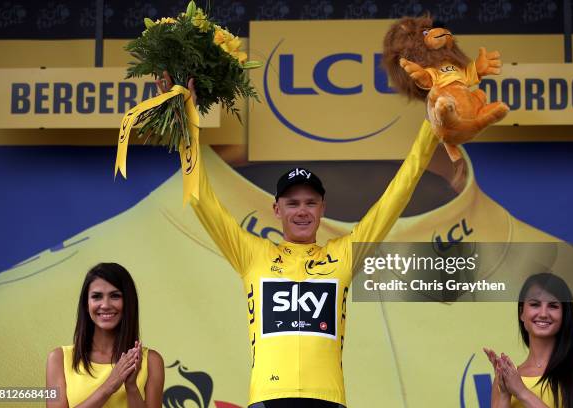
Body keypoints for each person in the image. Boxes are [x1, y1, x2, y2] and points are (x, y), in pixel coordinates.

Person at [157, 72, 443, 408]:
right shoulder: (252, 254)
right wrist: (185, 126)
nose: (302, 211)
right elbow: (200, 198)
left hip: (327, 399)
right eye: (293, 203)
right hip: (268, 398)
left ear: (323, 208)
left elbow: (396, 196)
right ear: (277, 209)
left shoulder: (344, 255)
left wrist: (430, 129)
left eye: (310, 202)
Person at [46, 263, 164, 408]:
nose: (106, 304)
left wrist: (132, 387)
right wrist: (108, 387)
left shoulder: (151, 361)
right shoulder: (58, 359)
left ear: (128, 302)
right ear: (86, 304)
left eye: (115, 296)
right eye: (97, 297)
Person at [483, 272, 573, 408]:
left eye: (553, 306)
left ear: (565, 314)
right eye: (535, 304)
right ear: (522, 313)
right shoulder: (507, 377)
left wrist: (522, 392)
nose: (543, 314)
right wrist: (504, 392)